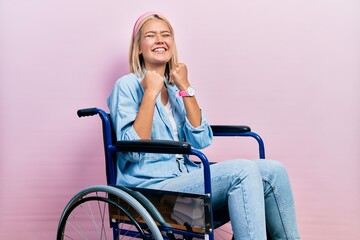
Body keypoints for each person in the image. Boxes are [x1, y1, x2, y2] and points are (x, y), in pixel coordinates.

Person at [107, 12, 300, 240]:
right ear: (139, 47)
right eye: (151, 35)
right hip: (151, 191)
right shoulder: (127, 85)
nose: (160, 40)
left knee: (273, 170)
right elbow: (131, 151)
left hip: (185, 178)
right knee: (243, 170)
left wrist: (185, 86)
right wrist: (150, 92)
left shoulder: (174, 88)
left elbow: (201, 140)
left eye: (165, 34)